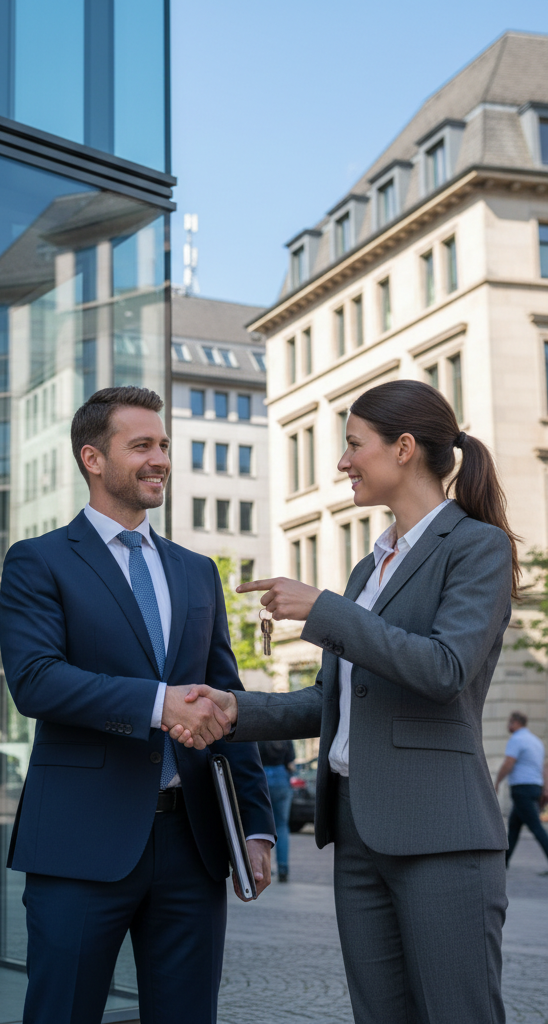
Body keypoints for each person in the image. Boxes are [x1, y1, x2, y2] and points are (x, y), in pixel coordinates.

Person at [176, 380, 519, 1024]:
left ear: (405, 448)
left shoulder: (478, 547)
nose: (341, 462)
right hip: (358, 832)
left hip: (441, 835)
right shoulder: (371, 567)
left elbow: (444, 669)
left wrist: (324, 610)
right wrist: (231, 709)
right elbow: (332, 701)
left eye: (353, 445)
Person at [0, 386, 274, 1024]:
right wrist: (159, 703)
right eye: (142, 445)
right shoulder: (38, 561)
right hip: (79, 841)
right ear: (93, 459)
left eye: (165, 445)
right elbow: (36, 681)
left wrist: (253, 825)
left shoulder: (197, 570)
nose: (161, 460)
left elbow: (227, 701)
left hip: (194, 841)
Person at [495, 711, 548, 872]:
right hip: (535, 787)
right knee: (514, 827)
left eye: (510, 722)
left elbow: (509, 762)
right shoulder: (536, 741)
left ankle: (503, 864)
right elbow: (543, 768)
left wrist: (497, 781)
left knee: (536, 827)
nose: (508, 726)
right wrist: (545, 788)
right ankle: (503, 864)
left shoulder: (517, 739)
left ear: (517, 723)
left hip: (522, 789)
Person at [258, 740, 296, 881]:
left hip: (262, 777)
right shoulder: (286, 737)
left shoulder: (259, 735)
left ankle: (262, 868)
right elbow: (291, 765)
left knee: (261, 826)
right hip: (281, 778)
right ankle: (283, 868)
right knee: (282, 825)